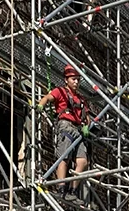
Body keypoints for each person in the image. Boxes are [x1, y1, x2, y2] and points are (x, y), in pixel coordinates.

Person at [38, 64, 90, 199]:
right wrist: (40, 105)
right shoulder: (60, 91)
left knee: (83, 161)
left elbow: (87, 117)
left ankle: (73, 191)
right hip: (65, 126)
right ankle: (61, 188)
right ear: (66, 79)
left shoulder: (81, 99)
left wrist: (87, 126)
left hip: (77, 130)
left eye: (78, 79)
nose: (76, 82)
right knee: (64, 157)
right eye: (73, 79)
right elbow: (47, 98)